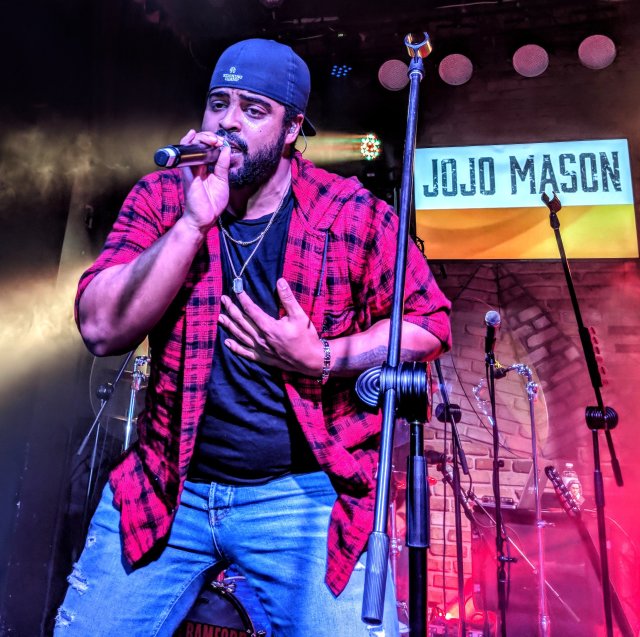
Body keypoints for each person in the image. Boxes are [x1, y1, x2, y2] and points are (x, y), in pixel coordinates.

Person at [55, 38, 452, 636]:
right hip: (170, 483)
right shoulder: (164, 196)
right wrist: (192, 223)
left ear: (292, 129)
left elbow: (428, 324)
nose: (229, 122)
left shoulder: (350, 212)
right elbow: (100, 328)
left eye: (254, 109)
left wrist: (321, 356)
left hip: (301, 496)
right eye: (219, 103)